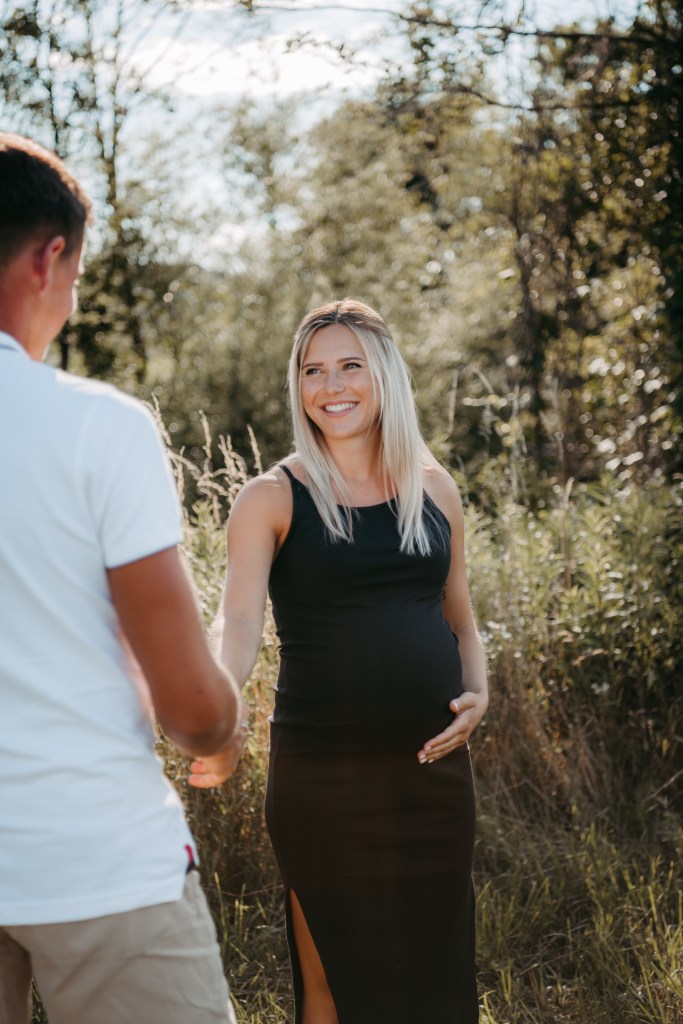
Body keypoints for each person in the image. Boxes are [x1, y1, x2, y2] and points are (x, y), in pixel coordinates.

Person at [0, 133, 245, 1024]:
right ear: (49, 258)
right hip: (97, 863)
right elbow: (193, 709)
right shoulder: (96, 426)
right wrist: (223, 729)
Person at [193, 298, 489, 1023]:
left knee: (436, 972)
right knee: (330, 983)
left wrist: (479, 693)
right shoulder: (271, 497)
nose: (331, 386)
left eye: (350, 366)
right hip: (321, 780)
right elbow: (238, 621)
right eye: (313, 370)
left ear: (384, 374)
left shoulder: (434, 489)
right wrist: (218, 711)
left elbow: (460, 617)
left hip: (432, 775)